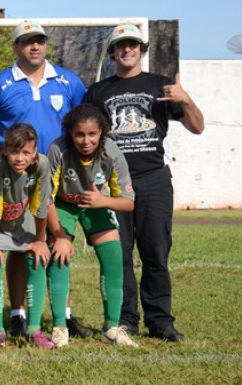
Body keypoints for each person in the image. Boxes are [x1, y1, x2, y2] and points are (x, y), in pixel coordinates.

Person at [84, 23, 204, 342]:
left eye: (133, 45)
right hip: (114, 184)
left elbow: (198, 127)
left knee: (155, 252)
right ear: (112, 51)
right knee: (118, 254)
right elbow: (86, 138)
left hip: (154, 180)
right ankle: (125, 320)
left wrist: (186, 99)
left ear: (142, 49)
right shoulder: (97, 92)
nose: (127, 50)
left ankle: (161, 321)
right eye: (121, 45)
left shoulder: (162, 85)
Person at [0, 21, 90, 339]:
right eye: (27, 41)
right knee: (17, 246)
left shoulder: (69, 81)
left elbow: (82, 124)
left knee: (57, 241)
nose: (35, 46)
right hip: (13, 179)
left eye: (39, 40)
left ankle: (62, 316)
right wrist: (13, 151)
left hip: (58, 174)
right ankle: (17, 315)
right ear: (15, 47)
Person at [46, 103, 137, 348]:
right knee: (59, 254)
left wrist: (102, 200)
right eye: (79, 134)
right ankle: (59, 327)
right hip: (62, 205)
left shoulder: (112, 152)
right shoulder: (58, 149)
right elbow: (45, 200)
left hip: (97, 205)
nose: (86, 140)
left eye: (92, 134)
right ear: (70, 133)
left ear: (102, 133)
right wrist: (60, 235)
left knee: (114, 256)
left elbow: (128, 203)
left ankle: (112, 328)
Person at [0, 123, 55, 350]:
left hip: (23, 218)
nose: (19, 158)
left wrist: (40, 241)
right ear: (4, 150)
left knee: (37, 257)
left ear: (34, 151)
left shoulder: (43, 164)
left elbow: (41, 205)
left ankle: (34, 330)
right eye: (14, 152)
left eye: (25, 153)